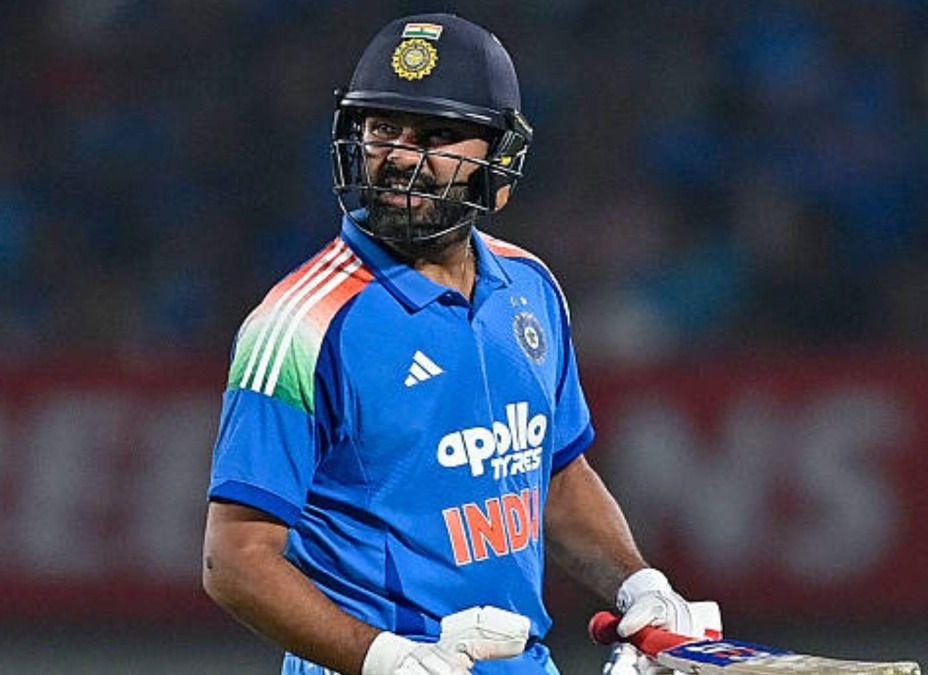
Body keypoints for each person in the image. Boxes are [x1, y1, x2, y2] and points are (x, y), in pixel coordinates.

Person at [202, 13, 720, 675]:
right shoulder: (299, 325)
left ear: (499, 158)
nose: (397, 154)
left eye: (438, 134)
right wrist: (393, 660)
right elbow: (235, 559)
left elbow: (556, 475)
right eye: (382, 126)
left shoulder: (529, 287)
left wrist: (638, 584)